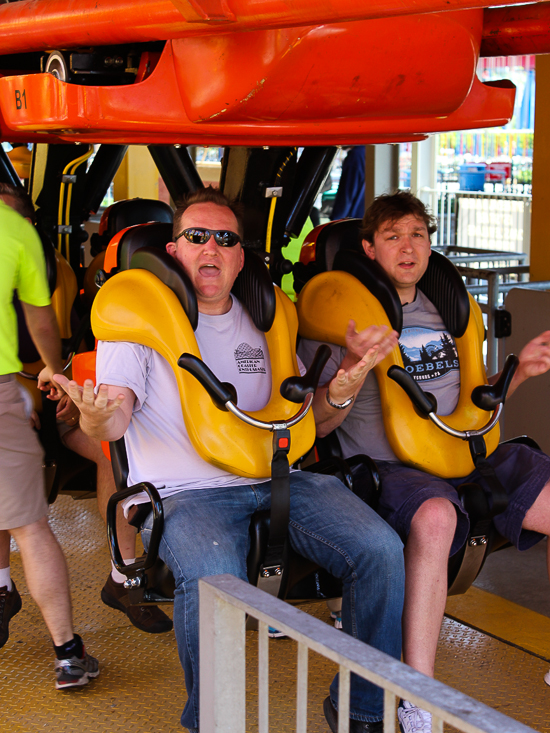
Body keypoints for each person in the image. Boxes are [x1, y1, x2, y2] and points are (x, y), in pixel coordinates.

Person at [56, 186, 405, 733]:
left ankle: (363, 711)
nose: (210, 248)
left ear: (241, 256)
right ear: (174, 250)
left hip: (277, 480)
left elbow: (306, 426)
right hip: (186, 496)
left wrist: (344, 387)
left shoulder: (265, 320)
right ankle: (211, 723)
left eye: (225, 239)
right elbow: (115, 418)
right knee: (213, 577)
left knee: (381, 549)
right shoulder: (140, 323)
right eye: (196, 236)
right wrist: (94, 416)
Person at [298, 190, 550, 733]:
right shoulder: (345, 316)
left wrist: (521, 371)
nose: (408, 247)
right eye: (392, 236)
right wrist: (349, 369)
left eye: (417, 234)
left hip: (463, 450)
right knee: (436, 517)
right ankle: (417, 696)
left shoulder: (447, 308)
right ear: (368, 248)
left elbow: (475, 399)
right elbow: (314, 427)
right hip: (390, 467)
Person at [0, 182, 172, 636]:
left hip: (81, 396)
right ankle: (124, 575)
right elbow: (55, 362)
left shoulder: (177, 310)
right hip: (57, 401)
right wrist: (48, 387)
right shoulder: (98, 305)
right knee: (113, 455)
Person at [0, 196, 99, 688]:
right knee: (29, 525)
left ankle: (2, 591)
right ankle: (67, 650)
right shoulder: (15, 236)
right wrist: (54, 375)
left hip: (15, 392)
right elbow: (43, 326)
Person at [330, 146, 366, 221]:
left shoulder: (355, 157)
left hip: (352, 221)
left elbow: (346, 193)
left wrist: (335, 220)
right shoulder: (367, 153)